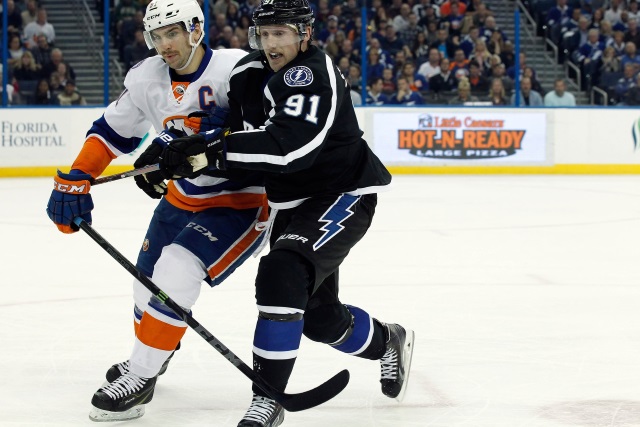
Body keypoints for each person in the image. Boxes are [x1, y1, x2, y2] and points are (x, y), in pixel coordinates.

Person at [156, 0, 415, 425]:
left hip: (341, 193)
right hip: (289, 204)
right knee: (318, 318)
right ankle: (389, 341)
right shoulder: (248, 73)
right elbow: (231, 132)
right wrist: (172, 151)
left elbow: (286, 147)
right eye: (266, 34)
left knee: (283, 271)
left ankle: (267, 399)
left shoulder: (312, 74)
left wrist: (210, 153)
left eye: (282, 33)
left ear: (304, 35)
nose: (272, 43)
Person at [45, 0, 267, 421]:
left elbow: (264, 129)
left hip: (241, 199)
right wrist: (77, 175)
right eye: (157, 36)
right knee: (145, 285)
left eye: (173, 33)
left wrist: (215, 131)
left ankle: (142, 377)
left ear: (196, 29)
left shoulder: (236, 68)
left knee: (177, 269)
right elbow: (111, 132)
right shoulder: (147, 77)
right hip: (182, 197)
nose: (165, 44)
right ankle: (154, 355)